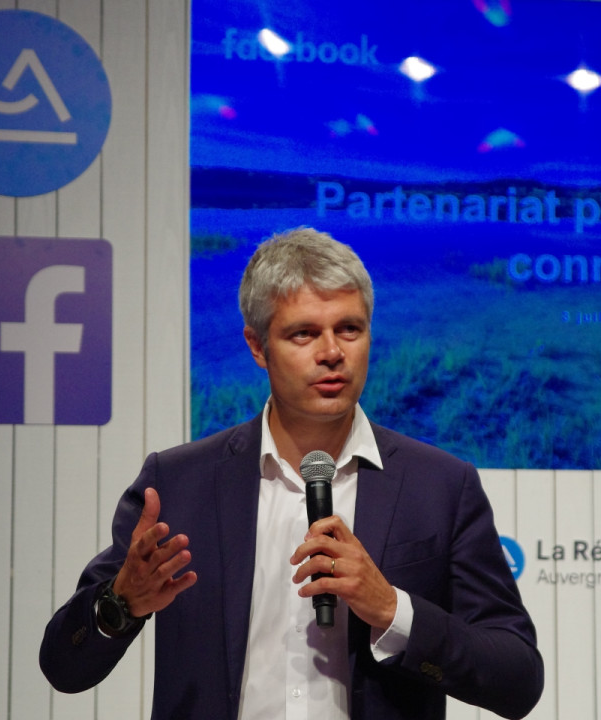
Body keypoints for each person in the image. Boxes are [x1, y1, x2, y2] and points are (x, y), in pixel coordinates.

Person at [40, 227, 544, 719]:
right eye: (303, 333)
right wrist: (121, 602)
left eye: (350, 328)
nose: (331, 353)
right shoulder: (179, 484)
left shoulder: (440, 486)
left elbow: (518, 678)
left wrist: (393, 610)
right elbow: (64, 666)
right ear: (257, 347)